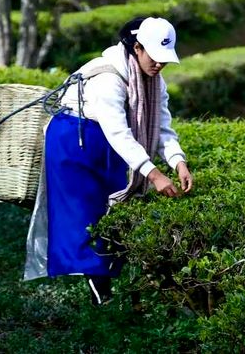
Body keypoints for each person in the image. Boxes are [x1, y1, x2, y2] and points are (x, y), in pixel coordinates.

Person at [24, 16, 193, 305]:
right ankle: (99, 290)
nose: (159, 64)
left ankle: (108, 282)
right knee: (84, 212)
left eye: (165, 59)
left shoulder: (153, 80)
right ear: (137, 48)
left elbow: (162, 125)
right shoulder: (108, 80)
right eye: (155, 57)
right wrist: (154, 174)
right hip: (75, 139)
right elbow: (118, 132)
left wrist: (178, 161)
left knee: (113, 207)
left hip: (105, 141)